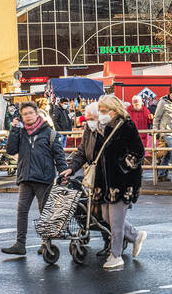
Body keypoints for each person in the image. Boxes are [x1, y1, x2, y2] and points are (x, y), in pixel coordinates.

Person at [60, 95, 146, 270]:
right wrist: (73, 168)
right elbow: (85, 152)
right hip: (103, 181)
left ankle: (116, 256)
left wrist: (123, 166)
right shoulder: (100, 127)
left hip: (121, 181)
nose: (100, 114)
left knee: (115, 221)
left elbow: (138, 152)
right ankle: (136, 236)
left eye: (103, 111)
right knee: (106, 217)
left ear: (113, 111)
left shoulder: (126, 125)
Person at [2, 102, 68, 255]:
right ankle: (20, 244)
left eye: (30, 113)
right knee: (21, 211)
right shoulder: (20, 132)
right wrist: (14, 129)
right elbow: (11, 150)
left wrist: (63, 173)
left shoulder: (49, 133)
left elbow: (59, 155)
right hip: (25, 177)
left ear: (37, 114)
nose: (28, 116)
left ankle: (46, 243)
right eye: (24, 114)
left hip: (43, 178)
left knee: (44, 212)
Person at [127, 96, 152, 163]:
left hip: (142, 137)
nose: (136, 106)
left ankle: (140, 167)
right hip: (131, 136)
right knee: (132, 153)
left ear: (141, 103)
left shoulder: (145, 110)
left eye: (138, 104)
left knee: (140, 153)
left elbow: (150, 122)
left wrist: (151, 119)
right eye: (135, 104)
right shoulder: (128, 110)